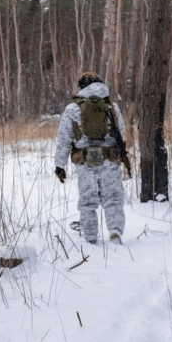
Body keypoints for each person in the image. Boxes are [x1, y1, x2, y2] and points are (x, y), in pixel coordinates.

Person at [54, 72, 128, 245]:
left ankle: (90, 236)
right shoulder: (112, 106)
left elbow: (64, 140)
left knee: (87, 200)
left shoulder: (72, 109)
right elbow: (121, 135)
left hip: (85, 160)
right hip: (110, 159)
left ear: (81, 87)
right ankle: (115, 231)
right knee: (113, 198)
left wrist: (60, 165)